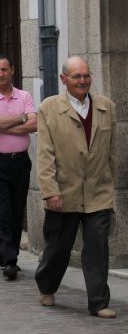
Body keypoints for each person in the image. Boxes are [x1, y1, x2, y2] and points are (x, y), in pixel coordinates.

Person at [35, 56, 117, 318]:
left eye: (86, 76)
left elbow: (111, 152)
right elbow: (44, 154)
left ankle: (99, 302)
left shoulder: (106, 107)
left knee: (97, 247)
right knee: (58, 247)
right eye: (76, 77)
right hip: (63, 191)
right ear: (63, 79)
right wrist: (50, 189)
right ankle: (46, 285)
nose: (82, 81)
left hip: (97, 192)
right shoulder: (49, 108)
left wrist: (109, 184)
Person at [0, 55, 37, 281]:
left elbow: (36, 123)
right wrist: (20, 119)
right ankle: (10, 260)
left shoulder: (25, 96)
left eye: (4, 69)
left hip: (20, 161)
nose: (1, 74)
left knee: (16, 208)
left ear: (12, 70)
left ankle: (8, 256)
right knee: (1, 210)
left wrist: (5, 125)